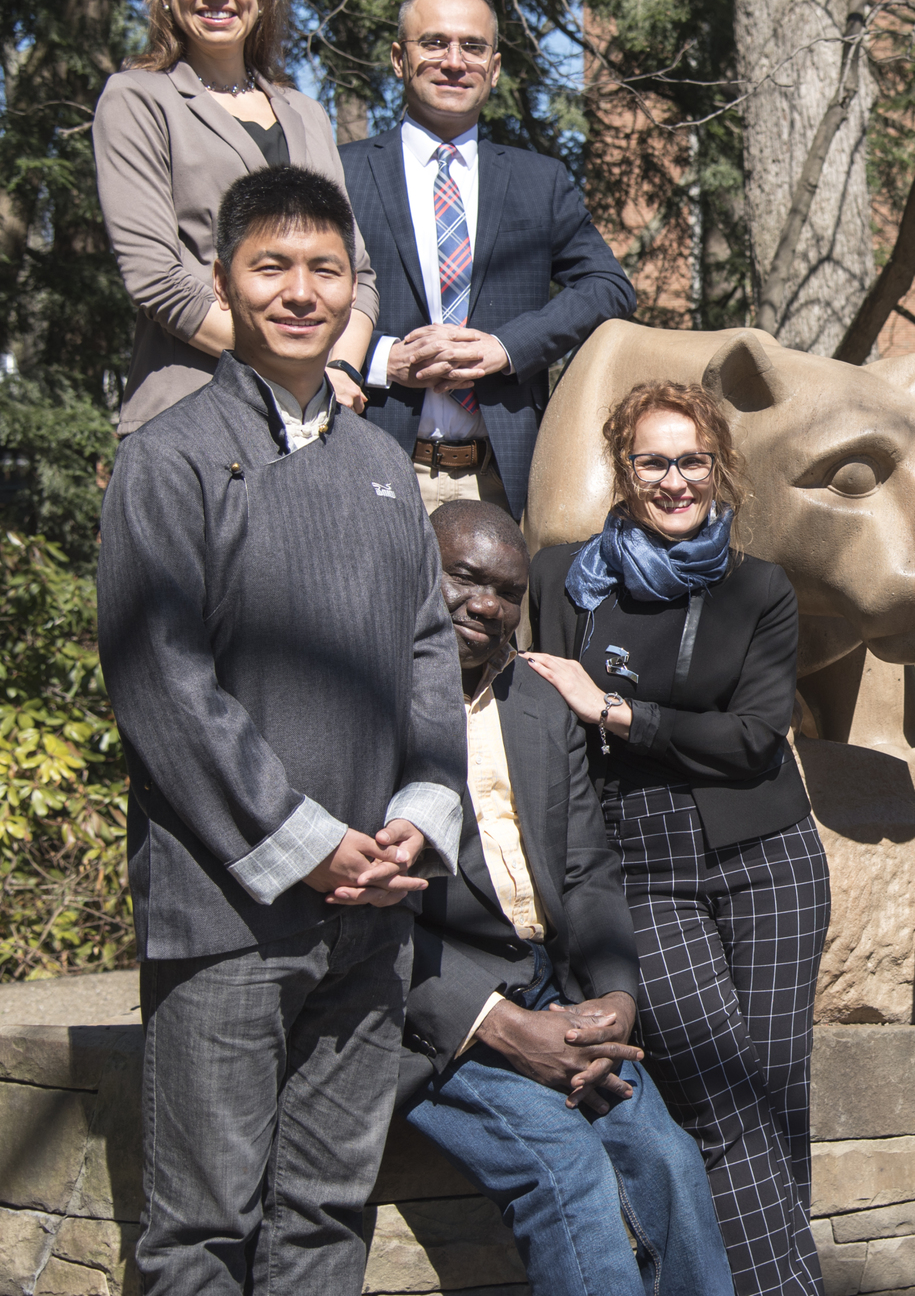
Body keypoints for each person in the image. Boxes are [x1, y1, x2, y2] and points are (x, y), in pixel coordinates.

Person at [97, 166, 465, 1294]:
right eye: (271, 267)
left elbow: (426, 652)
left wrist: (416, 816)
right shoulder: (170, 456)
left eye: (324, 270)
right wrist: (306, 839)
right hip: (228, 909)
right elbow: (160, 677)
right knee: (202, 1227)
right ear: (224, 282)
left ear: (356, 289)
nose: (299, 293)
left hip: (374, 915)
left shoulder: (381, 470)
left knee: (324, 1214)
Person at [522, 381, 830, 1295]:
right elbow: (545, 732)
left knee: (775, 1093)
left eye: (692, 460)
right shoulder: (562, 579)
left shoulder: (758, 587)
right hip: (639, 865)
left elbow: (752, 739)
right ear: (622, 468)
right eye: (654, 461)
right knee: (721, 1093)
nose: (675, 480)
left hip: (766, 855)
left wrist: (613, 708)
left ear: (719, 466)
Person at [397, 500, 729, 1295]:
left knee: (671, 1161)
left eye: (507, 590)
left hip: (556, 991)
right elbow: (364, 915)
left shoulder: (537, 701)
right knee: (567, 1173)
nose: (487, 603)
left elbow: (587, 870)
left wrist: (615, 995)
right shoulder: (365, 697)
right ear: (416, 569)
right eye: (466, 577)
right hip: (436, 1017)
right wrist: (504, 1027)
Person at [340, 0, 636, 519]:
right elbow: (301, 304)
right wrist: (385, 359)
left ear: (494, 69)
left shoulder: (538, 180)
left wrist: (507, 347)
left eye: (472, 47)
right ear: (398, 59)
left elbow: (608, 287)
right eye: (433, 43)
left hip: (504, 480)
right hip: (371, 470)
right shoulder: (340, 172)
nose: (454, 61)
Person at [94, 0, 378, 436]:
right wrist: (293, 370)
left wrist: (337, 368)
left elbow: (357, 273)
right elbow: (157, 279)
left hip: (316, 420)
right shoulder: (138, 99)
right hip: (192, 414)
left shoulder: (307, 113)